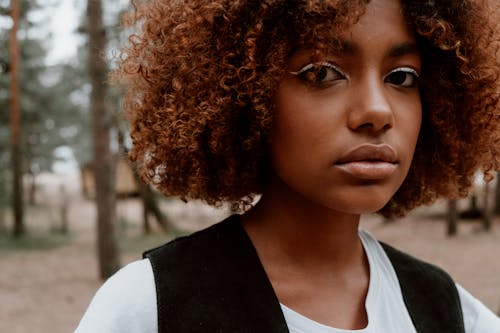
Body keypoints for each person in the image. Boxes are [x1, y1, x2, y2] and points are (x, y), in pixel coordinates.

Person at [76, 0, 500, 332]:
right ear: (244, 93)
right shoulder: (149, 307)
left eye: (403, 77)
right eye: (321, 73)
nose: (377, 110)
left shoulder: (450, 313)